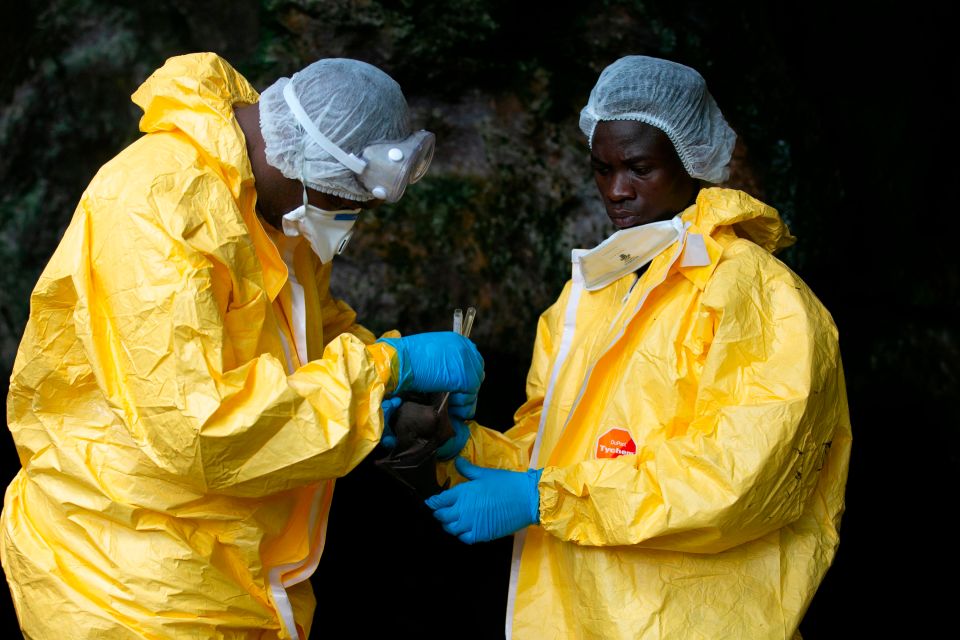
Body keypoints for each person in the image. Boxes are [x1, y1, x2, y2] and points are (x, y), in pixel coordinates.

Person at [0, 52, 483, 639]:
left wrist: (384, 409)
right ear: (307, 172)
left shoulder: (270, 204)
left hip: (226, 563)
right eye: (346, 207)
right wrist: (383, 370)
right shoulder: (154, 204)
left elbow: (306, 338)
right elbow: (200, 430)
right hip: (125, 573)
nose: (350, 223)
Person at [425, 55, 852, 639]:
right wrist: (460, 446)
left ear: (692, 162)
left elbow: (737, 482)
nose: (616, 191)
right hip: (577, 616)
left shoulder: (758, 295)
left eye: (639, 167)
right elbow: (550, 448)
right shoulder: (591, 291)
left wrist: (544, 499)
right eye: (602, 169)